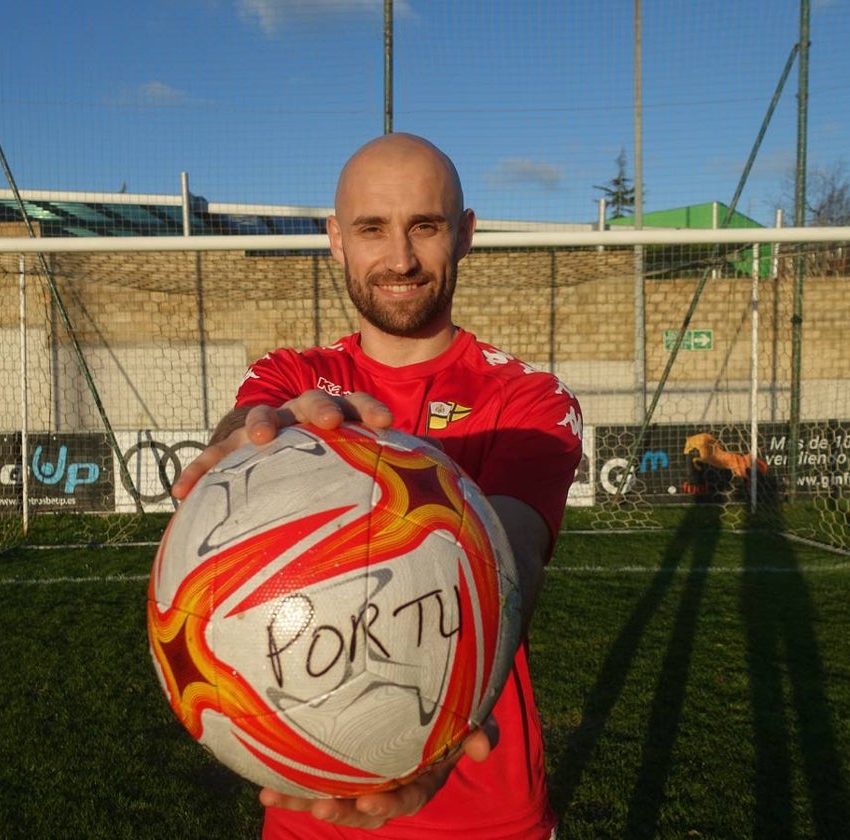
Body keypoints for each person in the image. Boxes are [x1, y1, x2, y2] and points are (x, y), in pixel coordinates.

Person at [171, 132, 583, 839]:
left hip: (480, 805)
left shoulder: (530, 401)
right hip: (310, 807)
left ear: (465, 233)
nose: (399, 259)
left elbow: (511, 559)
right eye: (371, 229)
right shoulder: (291, 379)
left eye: (424, 226)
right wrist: (253, 436)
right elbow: (248, 420)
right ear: (335, 239)